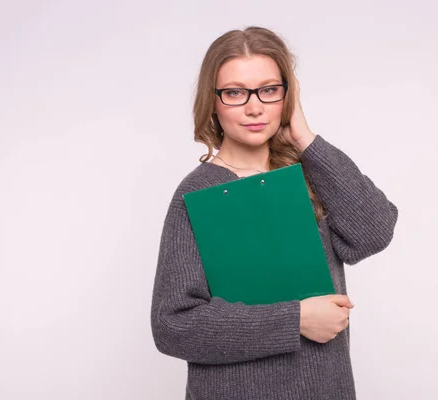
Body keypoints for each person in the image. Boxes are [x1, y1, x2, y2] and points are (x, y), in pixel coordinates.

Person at [150, 26, 398, 400]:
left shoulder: (310, 175)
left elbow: (374, 232)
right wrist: (295, 320)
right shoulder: (197, 193)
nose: (254, 107)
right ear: (213, 101)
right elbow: (174, 325)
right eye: (235, 92)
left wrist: (305, 138)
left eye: (269, 90)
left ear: (288, 95)